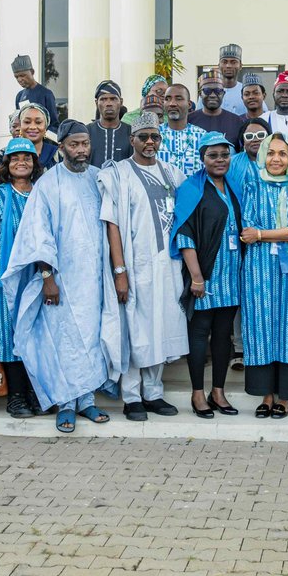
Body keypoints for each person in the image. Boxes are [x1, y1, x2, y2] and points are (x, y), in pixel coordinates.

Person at [3, 122, 122, 434]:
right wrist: (46, 277)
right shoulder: (49, 184)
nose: (81, 150)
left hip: (95, 278)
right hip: (61, 279)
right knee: (65, 341)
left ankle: (87, 400)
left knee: (91, 338)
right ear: (63, 147)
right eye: (74, 145)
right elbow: (38, 234)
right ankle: (66, 403)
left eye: (85, 144)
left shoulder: (99, 178)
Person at [98, 113, 189, 421]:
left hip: (168, 266)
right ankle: (132, 396)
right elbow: (112, 225)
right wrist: (119, 271)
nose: (150, 142)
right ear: (132, 140)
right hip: (135, 267)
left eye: (155, 137)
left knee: (160, 328)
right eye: (143, 137)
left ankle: (154, 393)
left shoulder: (173, 173)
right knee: (135, 331)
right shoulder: (119, 174)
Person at [239, 133, 288, 419]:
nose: (276, 159)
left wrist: (262, 234)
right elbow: (247, 228)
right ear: (263, 156)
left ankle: (284, 398)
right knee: (262, 322)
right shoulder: (252, 185)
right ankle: (266, 395)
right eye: (271, 153)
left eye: (283, 154)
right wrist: (275, 235)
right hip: (258, 266)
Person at [171, 132, 243, 419]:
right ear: (203, 158)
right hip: (206, 274)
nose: (220, 160)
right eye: (213, 155)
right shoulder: (191, 188)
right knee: (200, 333)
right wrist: (196, 277)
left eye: (224, 155)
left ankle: (219, 391)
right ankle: (198, 393)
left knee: (223, 335)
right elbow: (185, 234)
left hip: (232, 273)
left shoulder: (233, 186)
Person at [0, 138, 43, 418]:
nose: (21, 162)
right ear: (6, 165)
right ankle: (16, 397)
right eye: (15, 158)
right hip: (3, 279)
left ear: (35, 164)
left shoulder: (42, 193)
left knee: (37, 335)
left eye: (27, 157)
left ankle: (34, 392)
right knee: (9, 335)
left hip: (38, 277)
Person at [158, 84, 207, 178]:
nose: (172, 103)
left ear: (189, 104)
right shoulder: (154, 135)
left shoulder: (202, 136)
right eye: (167, 99)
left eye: (178, 98)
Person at [188, 72, 244, 143]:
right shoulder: (189, 120)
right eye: (207, 91)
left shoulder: (236, 121)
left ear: (223, 94)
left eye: (218, 91)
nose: (212, 95)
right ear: (200, 94)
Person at [88, 80, 133, 167]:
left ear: (121, 102)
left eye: (113, 99)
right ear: (96, 103)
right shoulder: (86, 132)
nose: (108, 103)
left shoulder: (131, 132)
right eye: (103, 99)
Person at [11, 53, 60, 132]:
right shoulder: (19, 96)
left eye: (23, 75)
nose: (19, 79)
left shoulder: (46, 94)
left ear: (32, 72)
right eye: (16, 77)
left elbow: (54, 124)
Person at [228, 117, 270, 203]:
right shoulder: (232, 163)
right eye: (249, 136)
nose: (255, 139)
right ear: (243, 141)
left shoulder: (278, 162)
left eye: (261, 135)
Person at [14, 103, 58, 168]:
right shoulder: (7, 153)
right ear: (20, 126)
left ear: (45, 127)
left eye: (38, 122)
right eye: (27, 122)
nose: (32, 127)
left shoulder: (58, 155)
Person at [216, 43, 247, 116]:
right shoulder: (208, 91)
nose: (228, 66)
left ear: (240, 66)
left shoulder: (247, 92)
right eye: (224, 62)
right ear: (219, 65)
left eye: (233, 62)